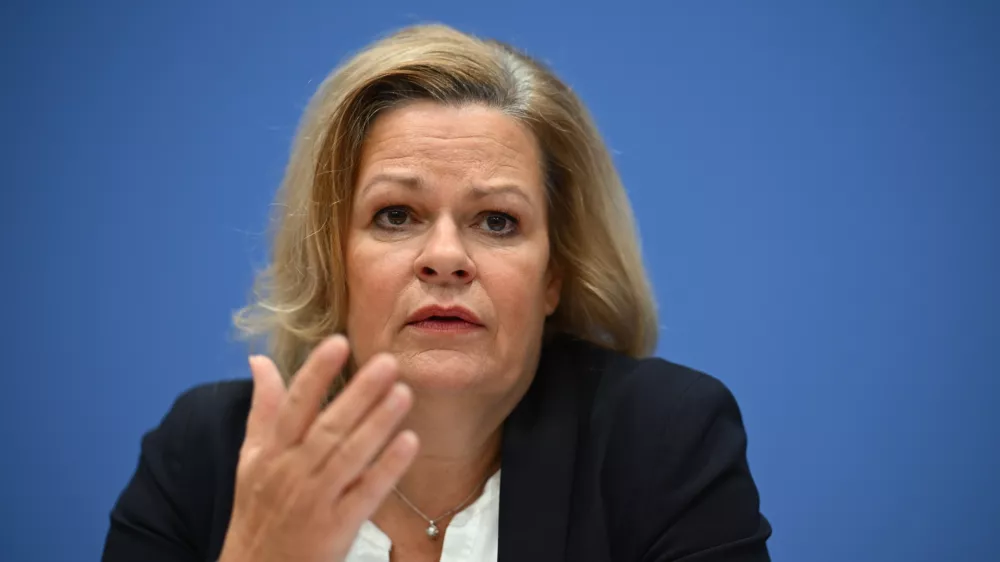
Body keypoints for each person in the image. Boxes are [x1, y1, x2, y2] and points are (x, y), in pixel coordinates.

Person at [102, 23, 771, 562]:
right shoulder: (207, 457)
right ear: (334, 259)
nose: (446, 258)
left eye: (497, 221)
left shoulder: (659, 443)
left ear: (554, 275)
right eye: (396, 215)